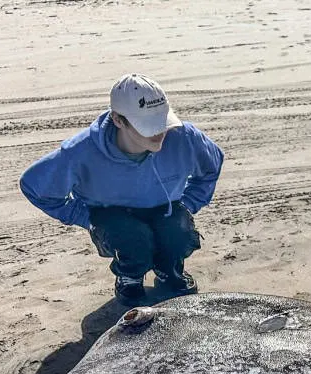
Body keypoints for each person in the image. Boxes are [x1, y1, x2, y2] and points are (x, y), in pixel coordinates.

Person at [20, 74, 224, 304]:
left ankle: (169, 271)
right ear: (118, 120)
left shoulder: (185, 137)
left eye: (162, 121)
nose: (159, 132)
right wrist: (85, 218)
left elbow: (212, 165)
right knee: (134, 239)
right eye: (147, 125)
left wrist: (189, 204)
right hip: (112, 215)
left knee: (178, 232)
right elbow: (35, 187)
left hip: (165, 208)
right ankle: (129, 278)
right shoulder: (81, 151)